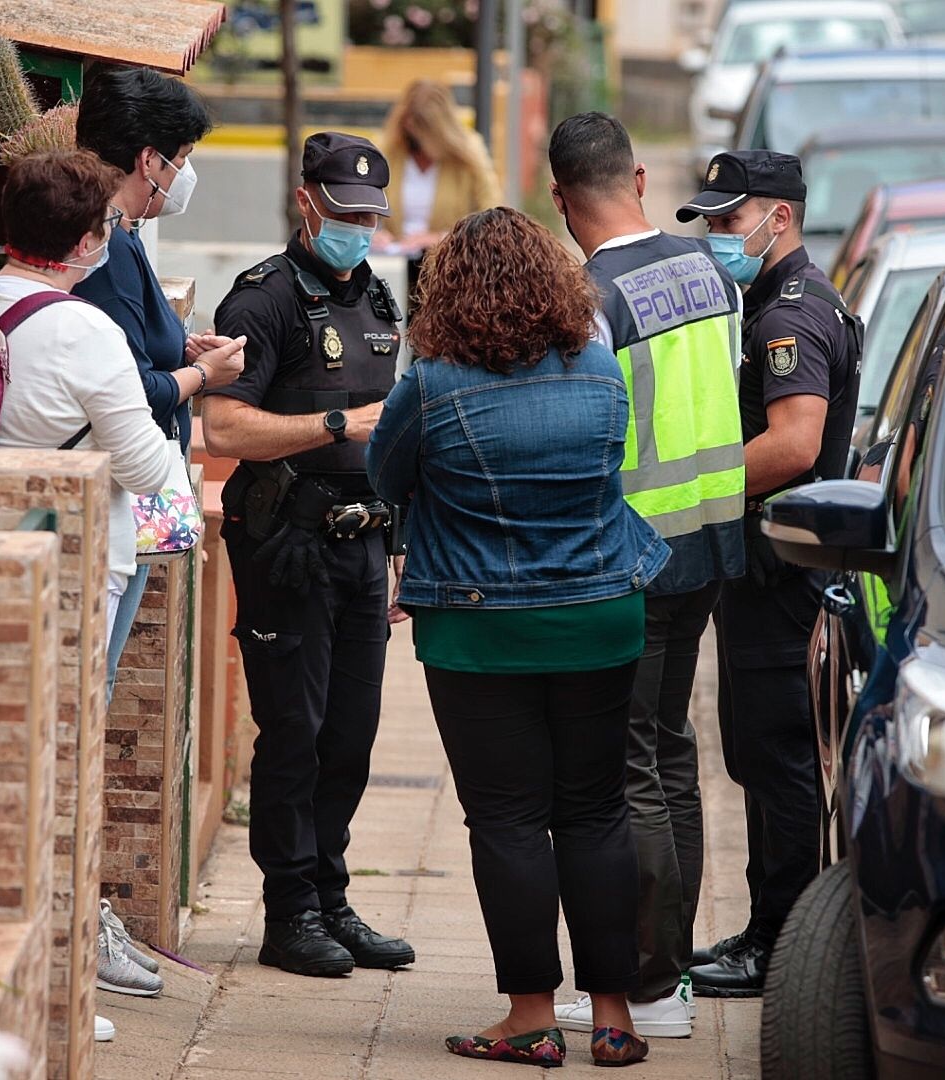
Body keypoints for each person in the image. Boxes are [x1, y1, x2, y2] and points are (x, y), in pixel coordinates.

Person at [368, 207, 668, 1069]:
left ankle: (531, 1016)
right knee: (597, 809)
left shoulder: (431, 384)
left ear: (448, 292)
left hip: (480, 628)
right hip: (603, 609)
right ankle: (614, 1014)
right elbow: (614, 467)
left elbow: (388, 476)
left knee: (506, 819)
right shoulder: (601, 367)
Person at [0, 151, 187, 1030]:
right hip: (64, 575)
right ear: (79, 240)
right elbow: (144, 464)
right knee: (54, 773)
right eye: (106, 227)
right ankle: (54, 981)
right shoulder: (86, 332)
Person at [545, 112, 746, 1039]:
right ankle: (678, 976)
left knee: (630, 768)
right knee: (671, 755)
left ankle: (652, 984)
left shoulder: (591, 298)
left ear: (559, 198)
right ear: (636, 179)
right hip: (708, 543)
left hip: (634, 556)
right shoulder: (709, 269)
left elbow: (585, 438)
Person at [202, 132, 414, 979]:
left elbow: (395, 433)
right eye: (345, 214)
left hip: (365, 543)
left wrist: (404, 543)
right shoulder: (262, 300)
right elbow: (220, 427)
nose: (358, 229)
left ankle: (330, 898)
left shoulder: (380, 300)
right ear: (306, 203)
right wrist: (337, 424)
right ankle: (288, 912)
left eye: (371, 217)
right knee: (295, 732)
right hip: (287, 543)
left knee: (352, 737)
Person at [676, 150, 862, 998]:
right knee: (756, 754)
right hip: (770, 570)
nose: (719, 234)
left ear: (776, 217)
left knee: (777, 758)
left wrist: (691, 487)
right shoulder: (773, 303)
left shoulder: (788, 316)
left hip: (782, 576)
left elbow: (794, 444)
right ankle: (767, 930)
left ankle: (783, 945)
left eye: (727, 219)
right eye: (712, 221)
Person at [74, 66, 247, 700]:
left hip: (124, 493)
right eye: (180, 159)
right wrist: (205, 375)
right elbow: (130, 389)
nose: (182, 175)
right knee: (98, 679)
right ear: (148, 160)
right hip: (118, 491)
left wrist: (184, 352)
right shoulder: (108, 247)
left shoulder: (120, 235)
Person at [376, 79, 502, 314]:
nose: (412, 130)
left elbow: (493, 217)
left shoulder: (469, 155)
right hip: (396, 269)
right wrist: (374, 233)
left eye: (421, 127)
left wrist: (440, 238)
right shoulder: (389, 152)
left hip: (450, 274)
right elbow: (370, 205)